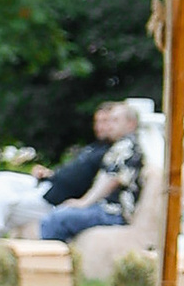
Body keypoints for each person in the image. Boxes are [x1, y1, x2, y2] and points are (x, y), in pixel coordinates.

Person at [37, 103, 144, 245]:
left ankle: (50, 264)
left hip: (114, 212)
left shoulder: (127, 146)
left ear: (131, 124)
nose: (110, 125)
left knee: (56, 220)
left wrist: (83, 203)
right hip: (107, 209)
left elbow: (111, 180)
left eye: (115, 120)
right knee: (59, 215)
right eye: (110, 120)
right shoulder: (119, 146)